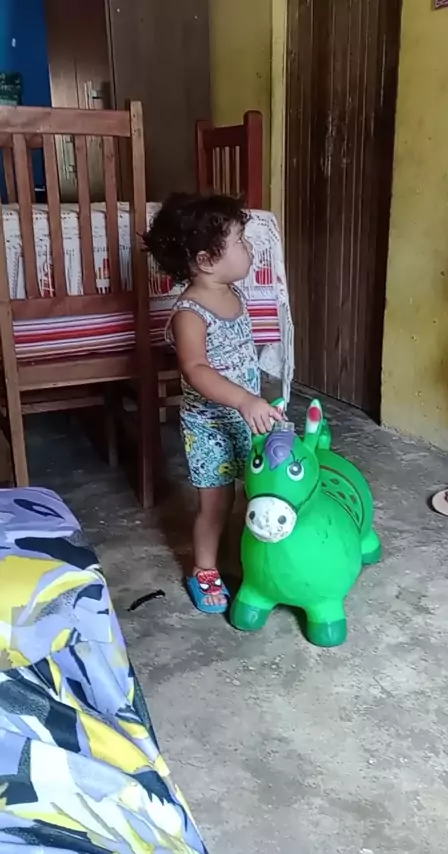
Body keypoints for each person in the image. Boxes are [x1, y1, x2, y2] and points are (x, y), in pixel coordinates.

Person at [144, 193, 283, 614]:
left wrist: (253, 402)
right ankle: (204, 568)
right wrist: (243, 399)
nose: (250, 247)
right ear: (206, 260)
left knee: (250, 490)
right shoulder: (190, 313)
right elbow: (196, 369)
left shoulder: (233, 291)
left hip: (243, 416)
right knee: (215, 503)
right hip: (210, 427)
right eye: (240, 240)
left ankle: (245, 554)